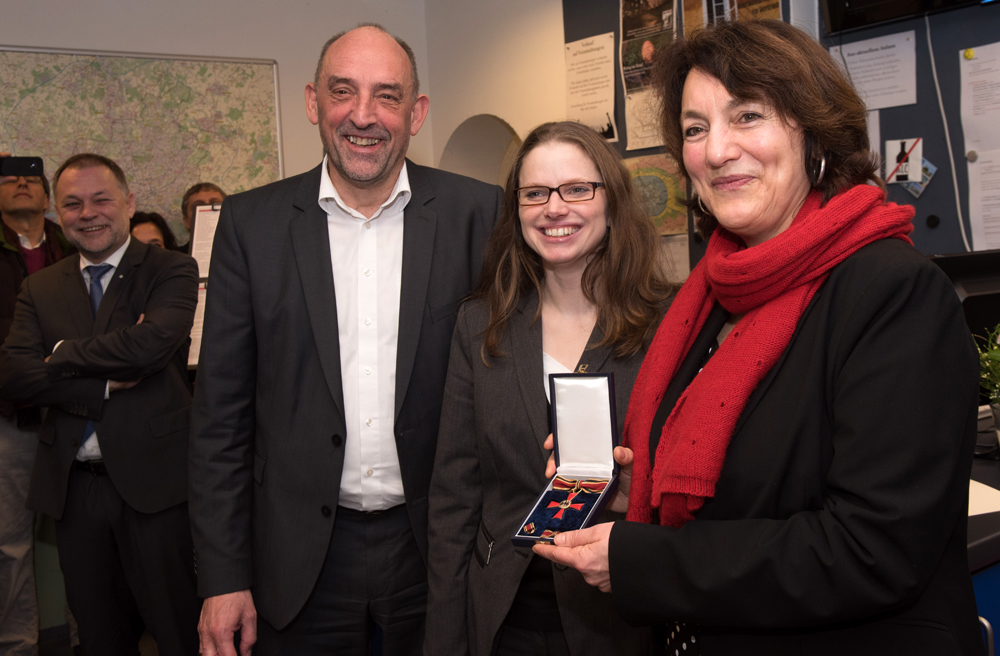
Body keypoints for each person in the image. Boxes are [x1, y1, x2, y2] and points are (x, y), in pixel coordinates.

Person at [535, 20, 984, 655]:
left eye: (747, 116)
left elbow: (871, 550)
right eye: (695, 128)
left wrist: (644, 561)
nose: (716, 150)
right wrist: (633, 493)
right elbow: (734, 491)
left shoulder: (894, 293)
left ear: (815, 131)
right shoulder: (710, 297)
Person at [189, 23, 502, 656]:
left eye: (387, 96)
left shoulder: (480, 214)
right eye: (343, 92)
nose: (364, 115)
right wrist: (223, 577)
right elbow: (219, 418)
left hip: (436, 550)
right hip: (298, 562)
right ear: (313, 103)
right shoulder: (251, 226)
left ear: (416, 113)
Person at [425, 121, 671, 656]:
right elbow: (454, 498)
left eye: (577, 189)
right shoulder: (479, 326)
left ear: (612, 199)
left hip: (620, 618)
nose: (554, 209)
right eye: (535, 193)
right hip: (503, 615)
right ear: (516, 210)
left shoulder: (669, 326)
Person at [0, 153, 201, 655]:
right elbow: (13, 375)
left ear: (129, 203)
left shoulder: (171, 269)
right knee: (99, 635)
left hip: (157, 487)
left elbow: (151, 345)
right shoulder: (40, 286)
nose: (87, 213)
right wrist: (101, 385)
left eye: (100, 199)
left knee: (178, 627)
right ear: (58, 214)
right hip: (75, 490)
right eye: (72, 204)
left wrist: (62, 354)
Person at [0, 156, 75, 656]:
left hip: (75, 413)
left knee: (83, 538)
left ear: (46, 197)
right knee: (11, 545)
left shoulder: (72, 243)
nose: (22, 184)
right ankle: (17, 647)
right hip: (12, 416)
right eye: (9, 179)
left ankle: (82, 637)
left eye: (31, 179)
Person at [179, 182, 225, 252]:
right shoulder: (175, 259)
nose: (207, 211)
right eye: (198, 206)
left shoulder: (244, 254)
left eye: (215, 204)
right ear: (186, 221)